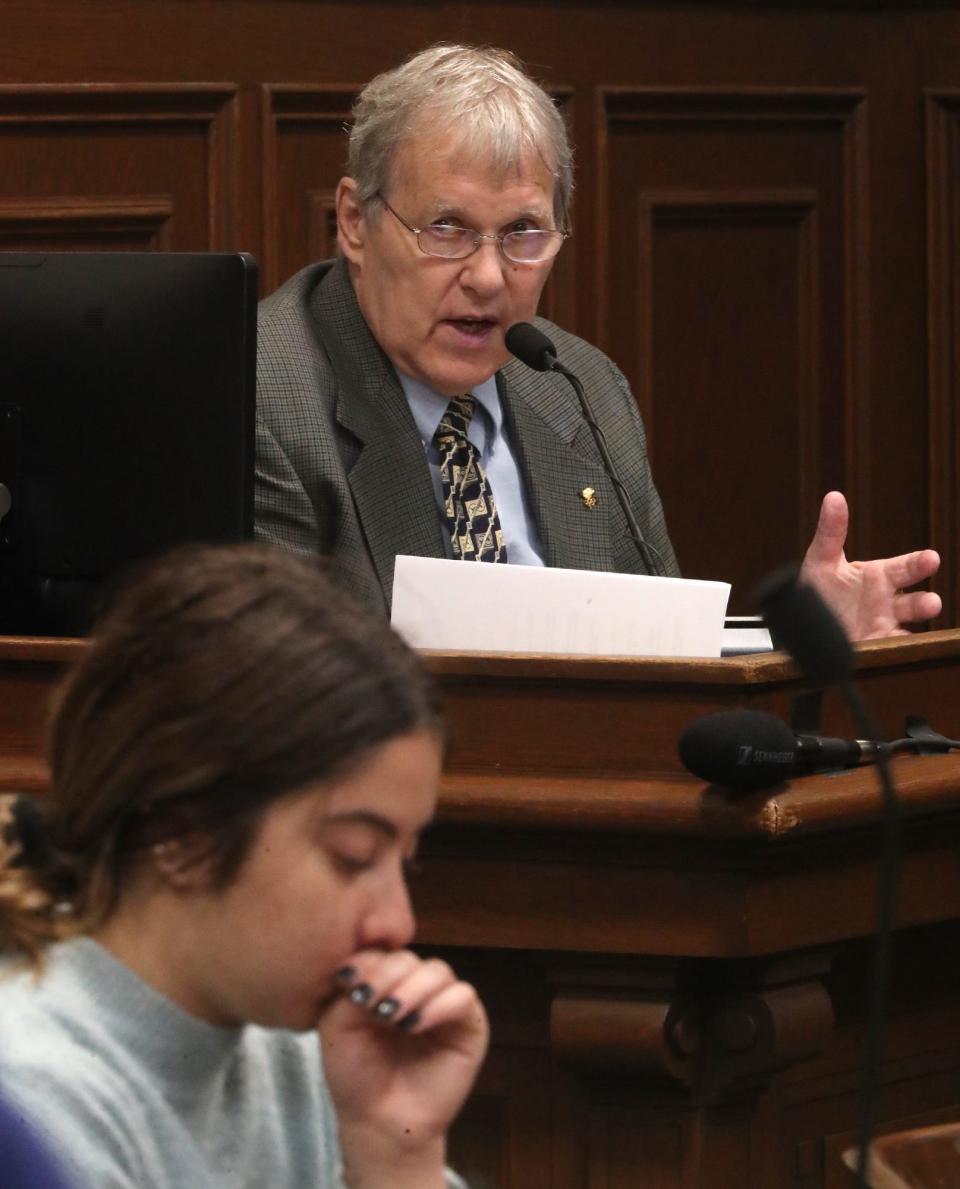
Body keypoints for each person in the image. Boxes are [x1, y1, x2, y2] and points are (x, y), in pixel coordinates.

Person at [255, 43, 941, 638]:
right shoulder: (263, 399)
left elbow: (659, 665)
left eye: (523, 233)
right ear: (353, 222)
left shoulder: (581, 388)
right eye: (447, 229)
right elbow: (266, 715)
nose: (490, 277)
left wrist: (792, 650)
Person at [0, 544, 486, 1189]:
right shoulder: (32, 1095)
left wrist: (399, 1157)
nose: (397, 923)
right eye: (353, 858)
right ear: (181, 832)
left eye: (404, 863)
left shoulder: (308, 1056)